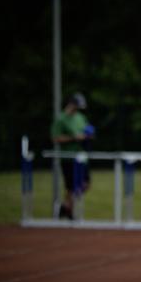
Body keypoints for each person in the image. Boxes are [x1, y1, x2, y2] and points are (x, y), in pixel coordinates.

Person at [51, 92, 93, 220]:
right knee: (71, 187)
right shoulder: (61, 119)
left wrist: (88, 135)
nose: (79, 109)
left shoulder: (80, 117)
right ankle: (69, 210)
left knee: (85, 184)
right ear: (72, 104)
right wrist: (74, 137)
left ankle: (65, 207)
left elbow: (87, 131)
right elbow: (55, 138)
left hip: (82, 157)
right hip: (68, 157)